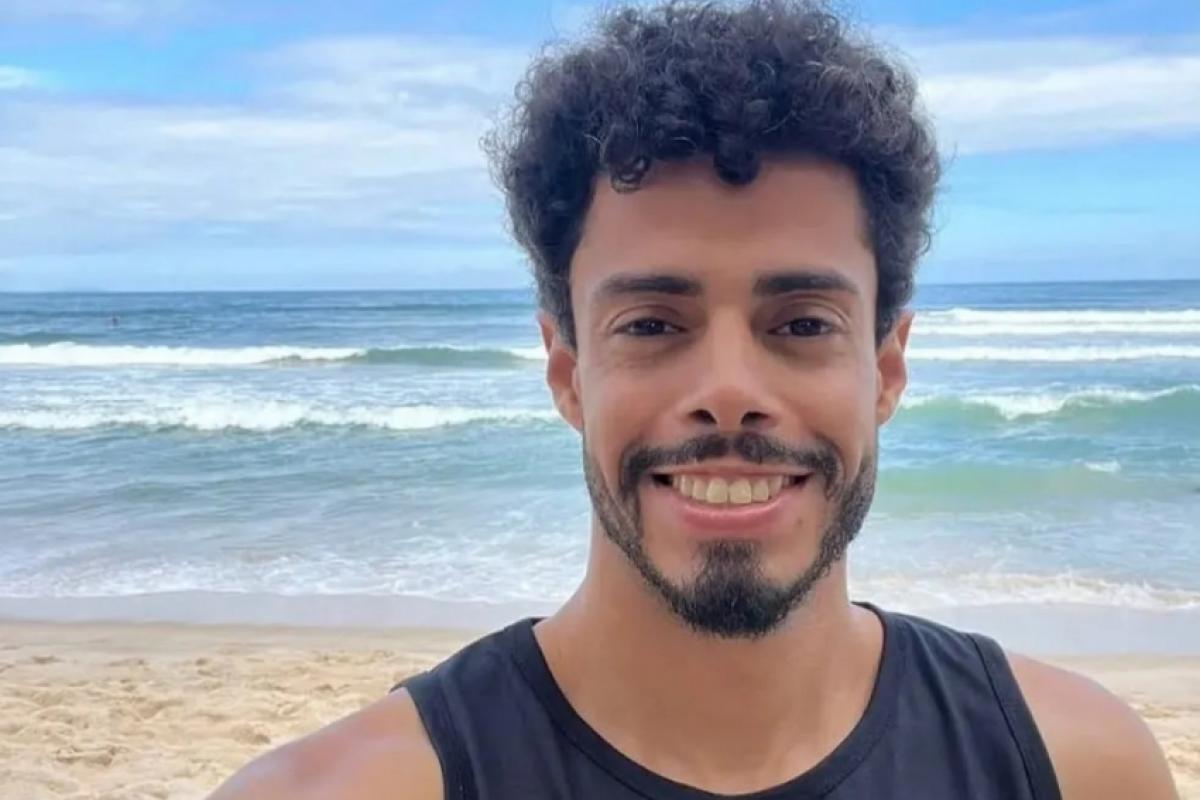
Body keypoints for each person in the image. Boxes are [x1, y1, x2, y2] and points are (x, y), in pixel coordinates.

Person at [210, 2, 1179, 797]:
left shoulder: (1077, 767)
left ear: (885, 369)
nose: (728, 392)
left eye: (802, 323)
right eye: (651, 324)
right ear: (567, 372)